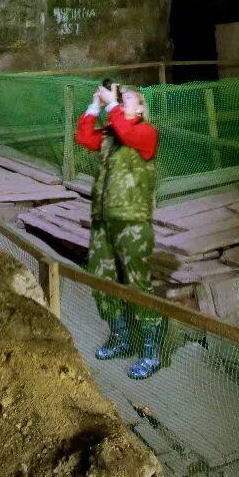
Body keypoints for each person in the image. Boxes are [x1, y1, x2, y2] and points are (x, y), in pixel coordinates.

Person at [74, 81, 164, 379]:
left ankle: (150, 351)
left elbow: (127, 133)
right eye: (119, 98)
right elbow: (83, 137)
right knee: (101, 278)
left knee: (137, 283)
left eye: (128, 99)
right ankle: (120, 337)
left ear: (141, 108)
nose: (121, 101)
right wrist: (95, 106)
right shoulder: (111, 134)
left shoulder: (145, 133)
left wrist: (111, 105)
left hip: (132, 223)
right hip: (103, 221)